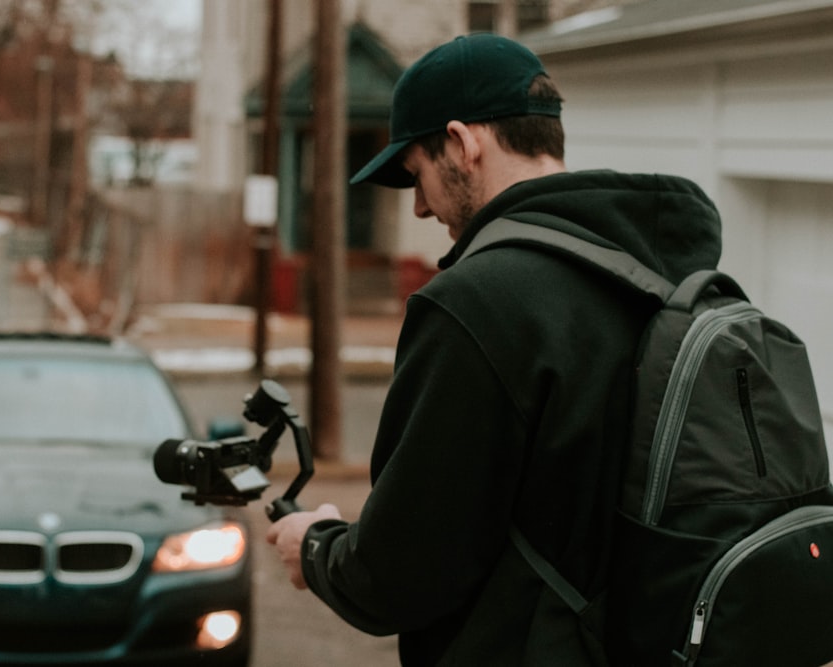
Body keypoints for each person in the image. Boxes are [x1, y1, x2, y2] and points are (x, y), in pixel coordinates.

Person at [266, 32, 722, 666]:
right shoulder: (664, 277)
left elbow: (398, 573)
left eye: (417, 175)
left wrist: (314, 546)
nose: (421, 206)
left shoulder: (478, 301)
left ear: (462, 142)